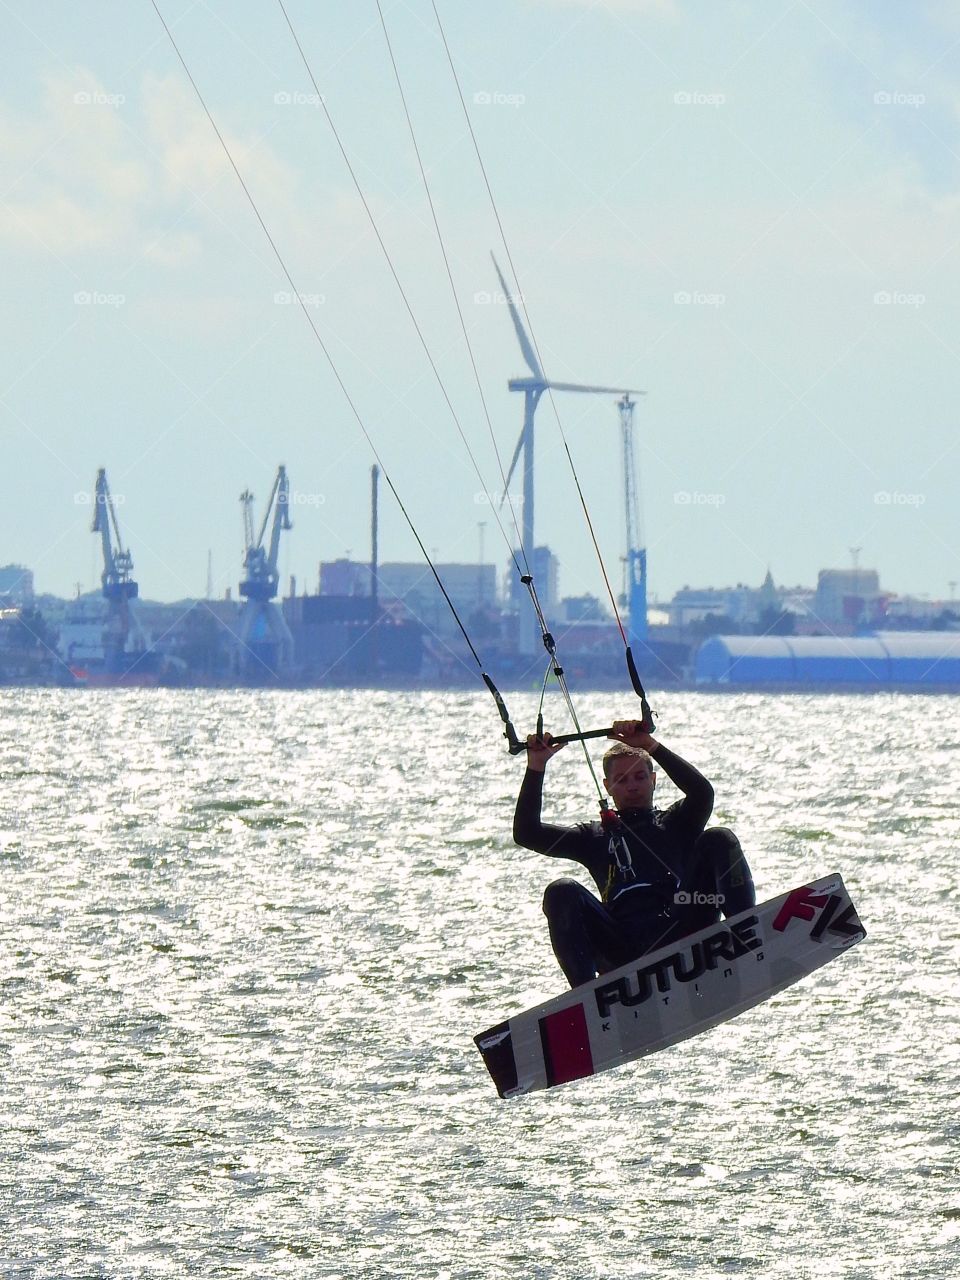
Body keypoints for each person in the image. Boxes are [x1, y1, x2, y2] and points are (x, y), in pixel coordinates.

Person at [513, 719, 756, 987]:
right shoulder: (592, 837)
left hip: (682, 926)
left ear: (653, 780)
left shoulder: (677, 822)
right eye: (621, 779)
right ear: (607, 786)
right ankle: (586, 995)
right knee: (561, 890)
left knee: (720, 837)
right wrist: (536, 766)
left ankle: (748, 933)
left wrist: (651, 746)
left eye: (640, 777)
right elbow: (527, 833)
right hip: (622, 948)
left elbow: (702, 793)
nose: (632, 786)